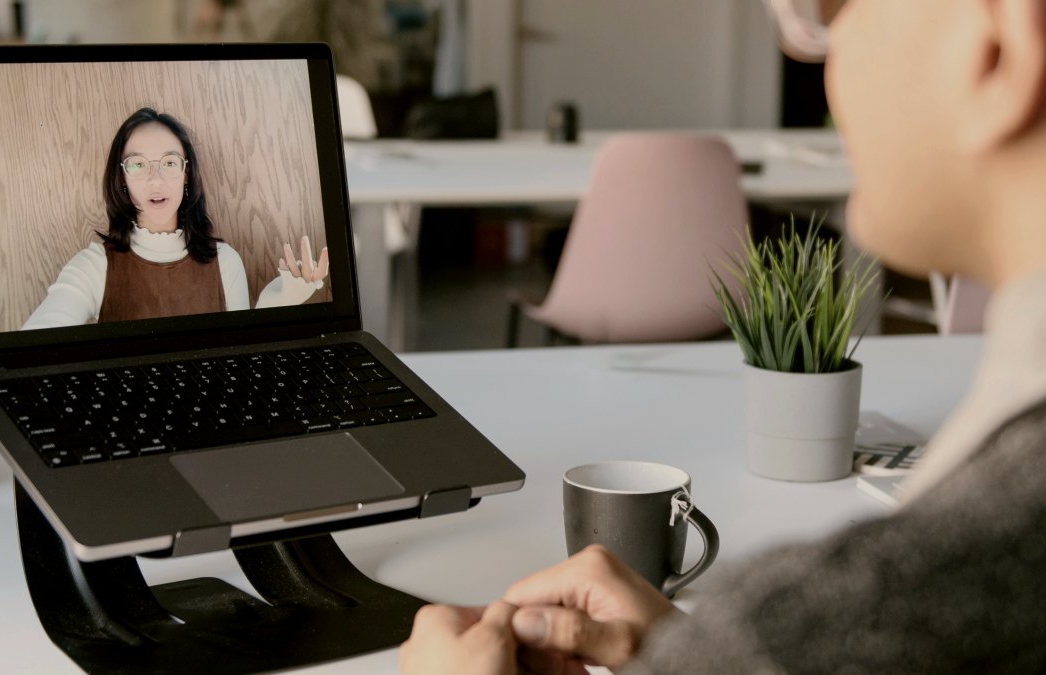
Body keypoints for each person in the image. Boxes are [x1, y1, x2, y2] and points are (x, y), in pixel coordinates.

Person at [399, 0, 1046, 672]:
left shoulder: (866, 608)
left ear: (999, 48)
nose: (812, 57)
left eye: (833, 10)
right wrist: (689, 656)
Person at [22, 107, 329, 329]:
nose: (155, 179)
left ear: (186, 174)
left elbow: (242, 349)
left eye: (169, 162)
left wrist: (288, 293)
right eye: (138, 164)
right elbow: (40, 337)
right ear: (122, 179)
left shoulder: (225, 260)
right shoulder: (95, 265)